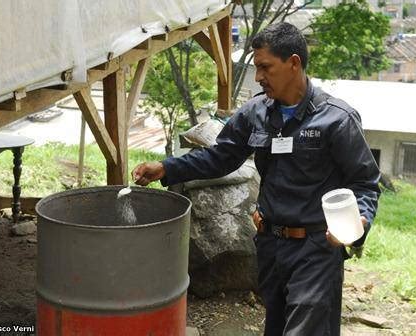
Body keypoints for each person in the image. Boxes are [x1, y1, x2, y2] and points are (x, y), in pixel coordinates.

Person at [132, 22, 380, 336]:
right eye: (256, 68)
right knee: (275, 327)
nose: (259, 77)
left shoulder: (337, 119)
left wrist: (359, 224)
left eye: (265, 67)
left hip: (316, 248)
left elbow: (365, 181)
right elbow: (220, 156)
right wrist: (167, 169)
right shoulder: (256, 113)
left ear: (293, 63)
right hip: (271, 246)